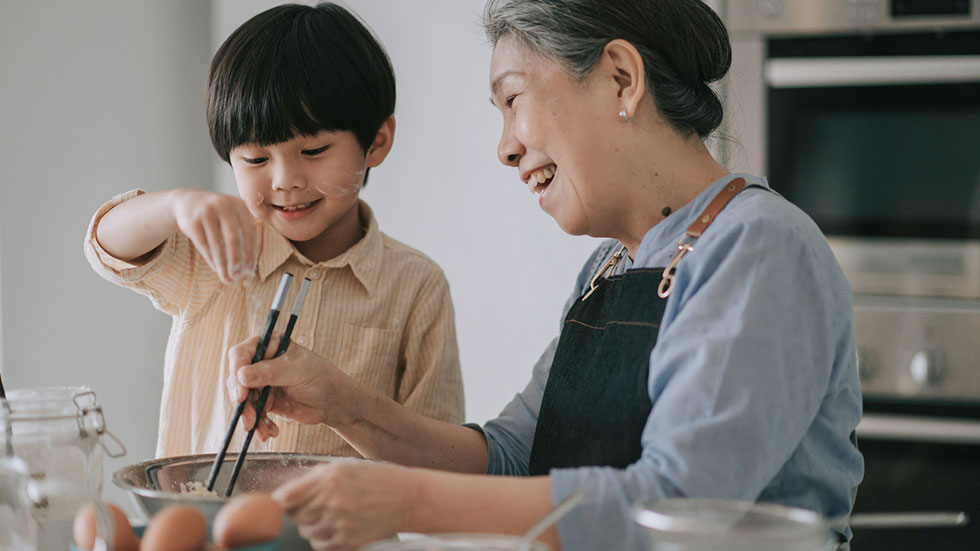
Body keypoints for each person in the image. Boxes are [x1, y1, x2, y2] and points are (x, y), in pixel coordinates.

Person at [226, 0, 864, 550]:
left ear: (620, 78)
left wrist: (406, 501)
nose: (504, 147)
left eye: (512, 99)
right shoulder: (610, 267)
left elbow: (677, 509)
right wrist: (341, 405)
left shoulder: (758, 247)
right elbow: (509, 460)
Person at [83, 2, 464, 458]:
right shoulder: (216, 252)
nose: (285, 180)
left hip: (349, 530)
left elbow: (436, 456)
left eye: (315, 150)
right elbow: (106, 247)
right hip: (208, 524)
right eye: (257, 159)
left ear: (376, 142)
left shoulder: (417, 286)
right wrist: (175, 204)